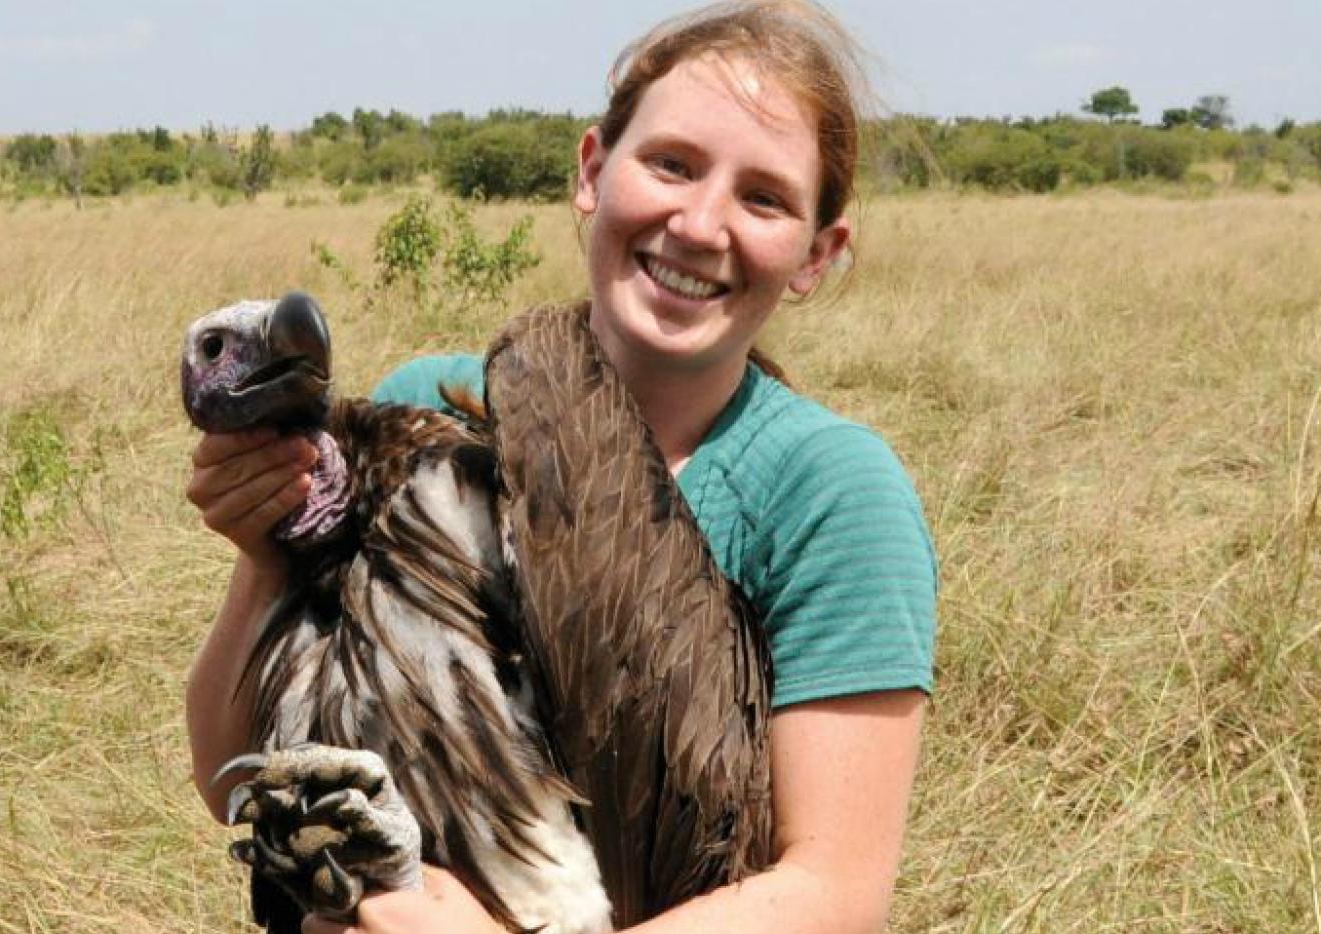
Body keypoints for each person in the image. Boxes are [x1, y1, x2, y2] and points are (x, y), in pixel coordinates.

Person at [184, 2, 937, 932]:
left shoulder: (828, 491)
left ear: (818, 253)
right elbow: (239, 783)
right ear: (593, 170)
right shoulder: (429, 413)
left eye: (764, 198)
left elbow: (832, 891)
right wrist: (267, 556)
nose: (701, 224)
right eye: (673, 164)